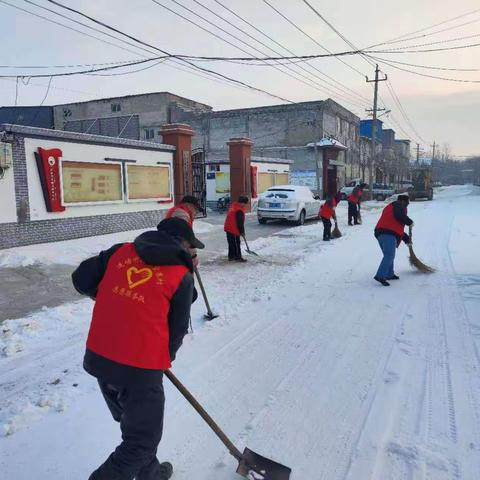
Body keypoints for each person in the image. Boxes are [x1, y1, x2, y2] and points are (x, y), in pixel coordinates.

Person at [71, 218, 203, 480]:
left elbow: (81, 279)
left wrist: (112, 295)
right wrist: (158, 362)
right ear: (184, 244)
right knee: (141, 442)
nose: (193, 254)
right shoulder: (181, 278)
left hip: (99, 359)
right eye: (192, 248)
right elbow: (175, 334)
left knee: (136, 426)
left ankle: (150, 474)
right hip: (138, 370)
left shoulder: (120, 251)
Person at [374, 194, 413, 286]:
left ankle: (389, 274)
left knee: (389, 255)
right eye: (407, 202)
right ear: (403, 201)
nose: (408, 204)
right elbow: (400, 216)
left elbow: (396, 227)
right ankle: (380, 275)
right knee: (389, 255)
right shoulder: (398, 205)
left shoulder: (394, 207)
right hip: (387, 233)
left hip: (384, 232)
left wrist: (406, 239)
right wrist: (409, 222)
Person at [224, 195, 249, 262]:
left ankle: (231, 256)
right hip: (233, 229)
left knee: (231, 243)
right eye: (245, 204)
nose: (245, 205)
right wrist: (242, 232)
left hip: (228, 228)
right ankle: (238, 257)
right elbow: (240, 223)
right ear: (242, 203)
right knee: (236, 243)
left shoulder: (233, 206)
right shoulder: (239, 210)